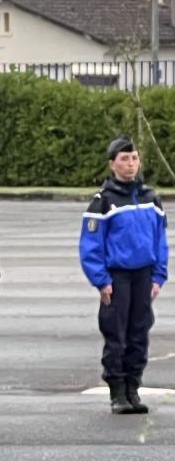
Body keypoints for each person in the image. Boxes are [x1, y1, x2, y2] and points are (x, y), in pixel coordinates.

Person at [79, 135, 168, 415]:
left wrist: (158, 276)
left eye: (134, 158)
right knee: (116, 335)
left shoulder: (150, 198)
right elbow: (91, 246)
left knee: (139, 333)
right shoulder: (103, 202)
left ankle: (133, 387)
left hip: (143, 276)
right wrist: (101, 280)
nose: (130, 164)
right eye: (124, 159)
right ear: (112, 164)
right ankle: (117, 391)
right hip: (117, 278)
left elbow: (160, 241)